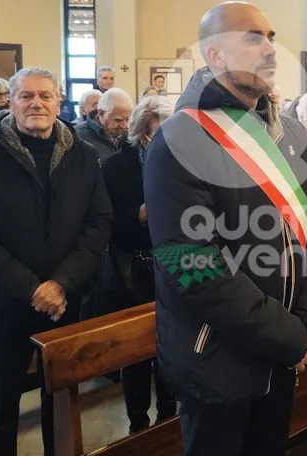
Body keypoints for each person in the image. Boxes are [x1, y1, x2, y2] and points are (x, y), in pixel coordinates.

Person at [144, 2, 307, 456]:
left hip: (286, 351)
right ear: (214, 55)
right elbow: (189, 262)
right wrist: (290, 335)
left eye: (271, 36)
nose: (270, 49)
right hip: (217, 358)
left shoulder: (289, 134)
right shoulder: (180, 139)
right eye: (253, 37)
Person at [0, 67, 112, 455]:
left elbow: (99, 223)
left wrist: (61, 283)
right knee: (3, 400)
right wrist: (33, 288)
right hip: (6, 300)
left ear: (60, 101)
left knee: (58, 396)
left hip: (65, 298)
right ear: (11, 101)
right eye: (26, 96)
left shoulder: (83, 156)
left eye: (45, 96)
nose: (36, 103)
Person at [102, 96, 178, 434]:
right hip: (135, 267)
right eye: (160, 132)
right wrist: (139, 214)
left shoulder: (180, 160)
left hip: (172, 265)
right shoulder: (116, 167)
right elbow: (107, 225)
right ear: (143, 132)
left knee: (171, 344)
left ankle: (168, 414)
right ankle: (137, 423)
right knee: (135, 352)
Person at [75, 88, 134, 161]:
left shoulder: (131, 137)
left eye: (127, 119)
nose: (124, 126)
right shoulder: (77, 137)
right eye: (118, 120)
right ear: (101, 113)